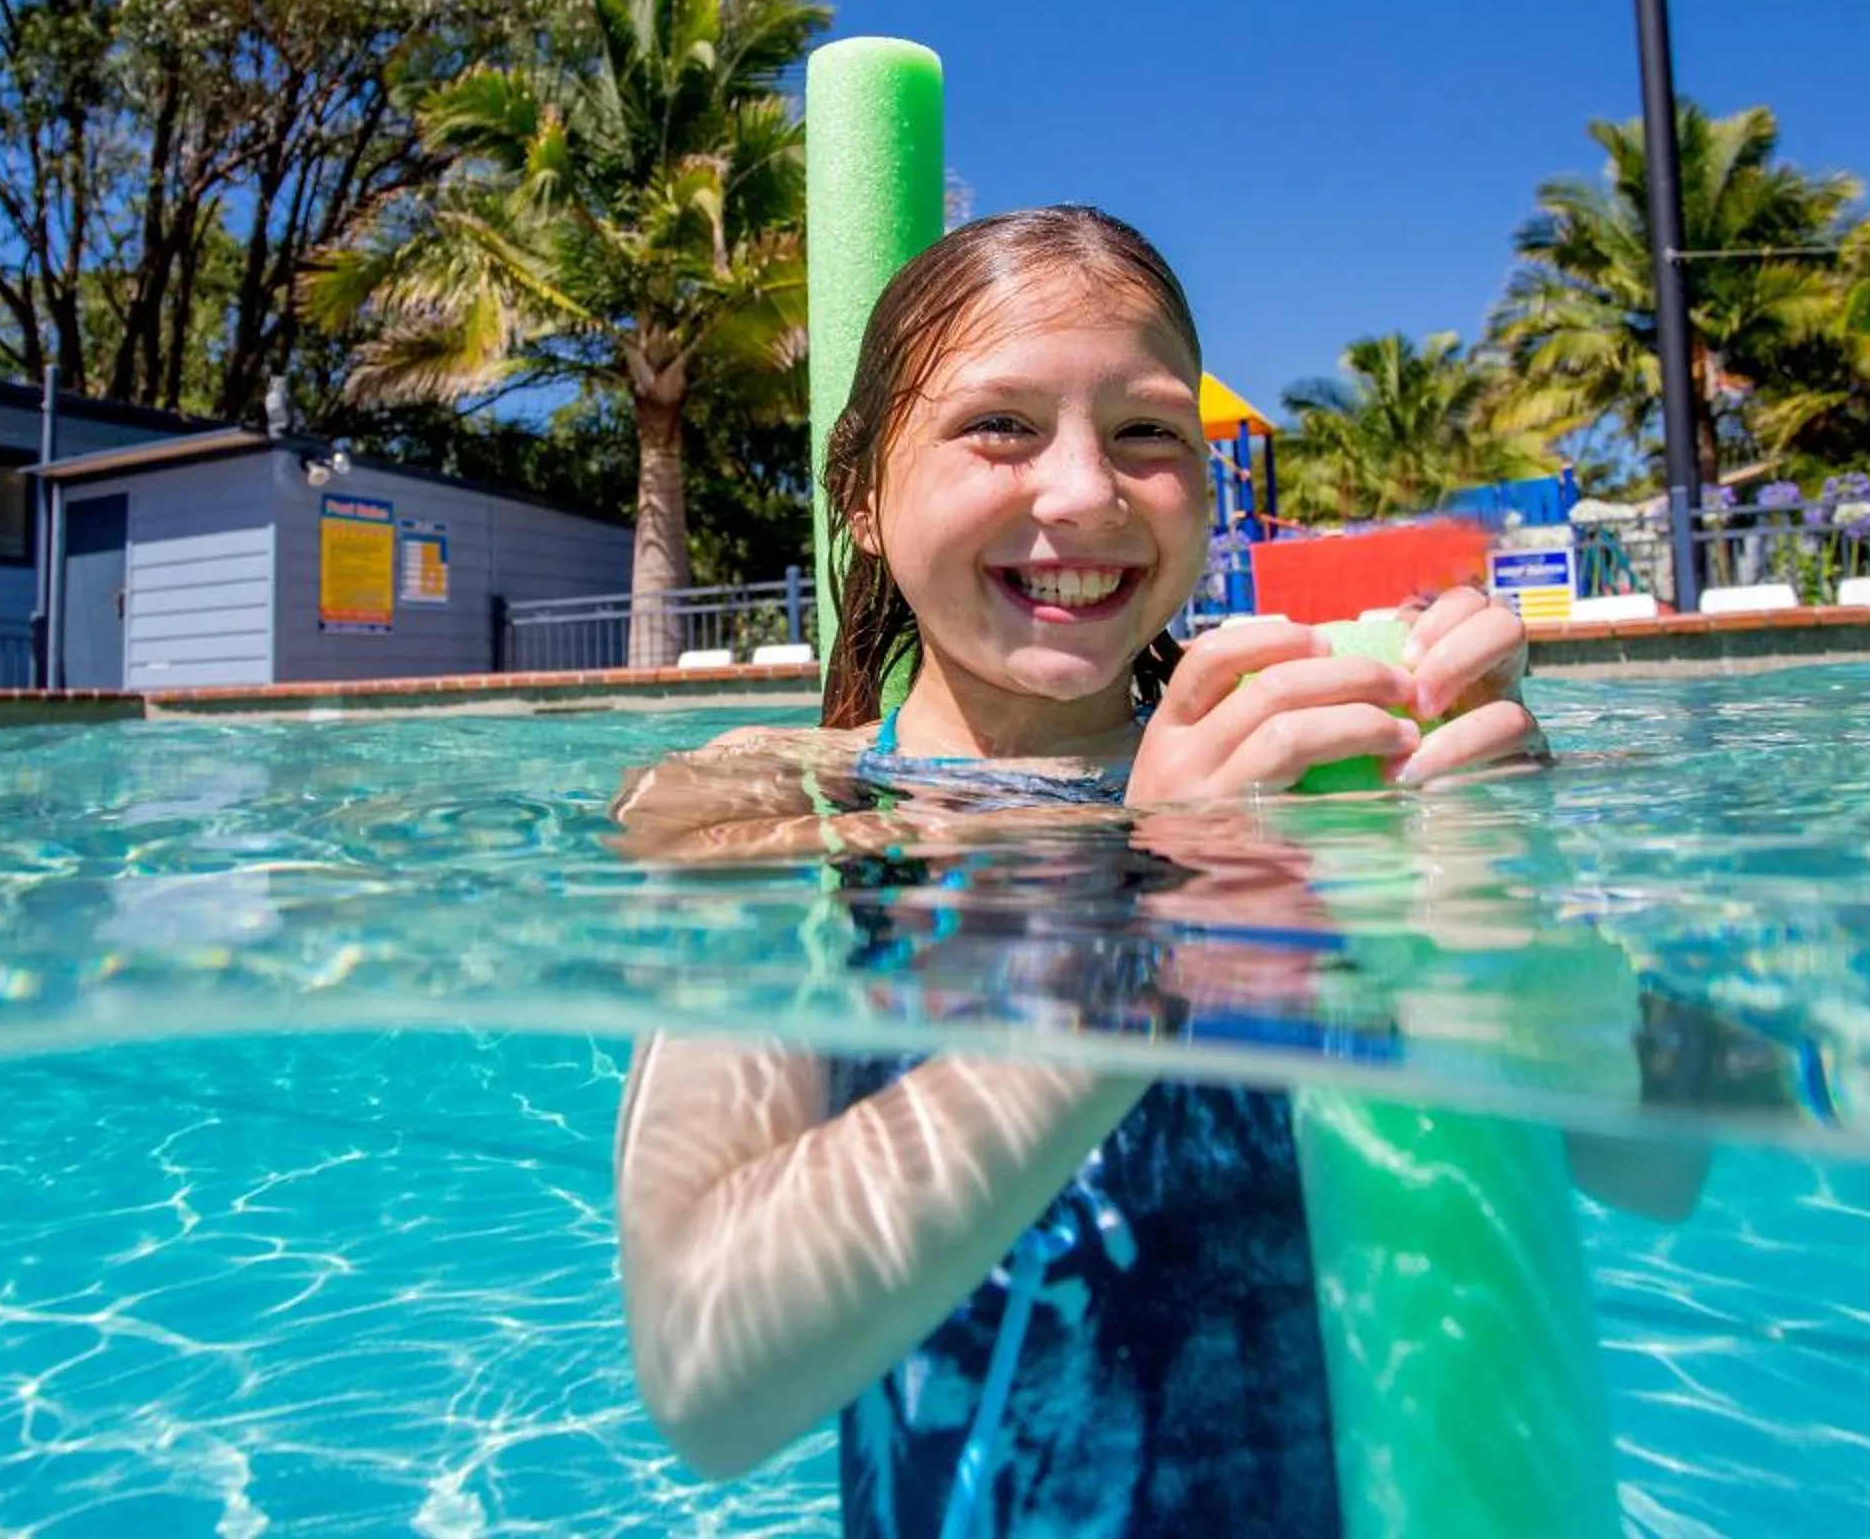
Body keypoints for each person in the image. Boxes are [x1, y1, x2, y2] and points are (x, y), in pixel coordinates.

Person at [611, 207, 1692, 1536]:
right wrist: (1154, 924)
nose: (1082, 493)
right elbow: (703, 1369)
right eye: (998, 426)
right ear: (864, 505)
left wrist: (1490, 886)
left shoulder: (1312, 768)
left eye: (1147, 434)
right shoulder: (765, 805)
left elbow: (1657, 1171)